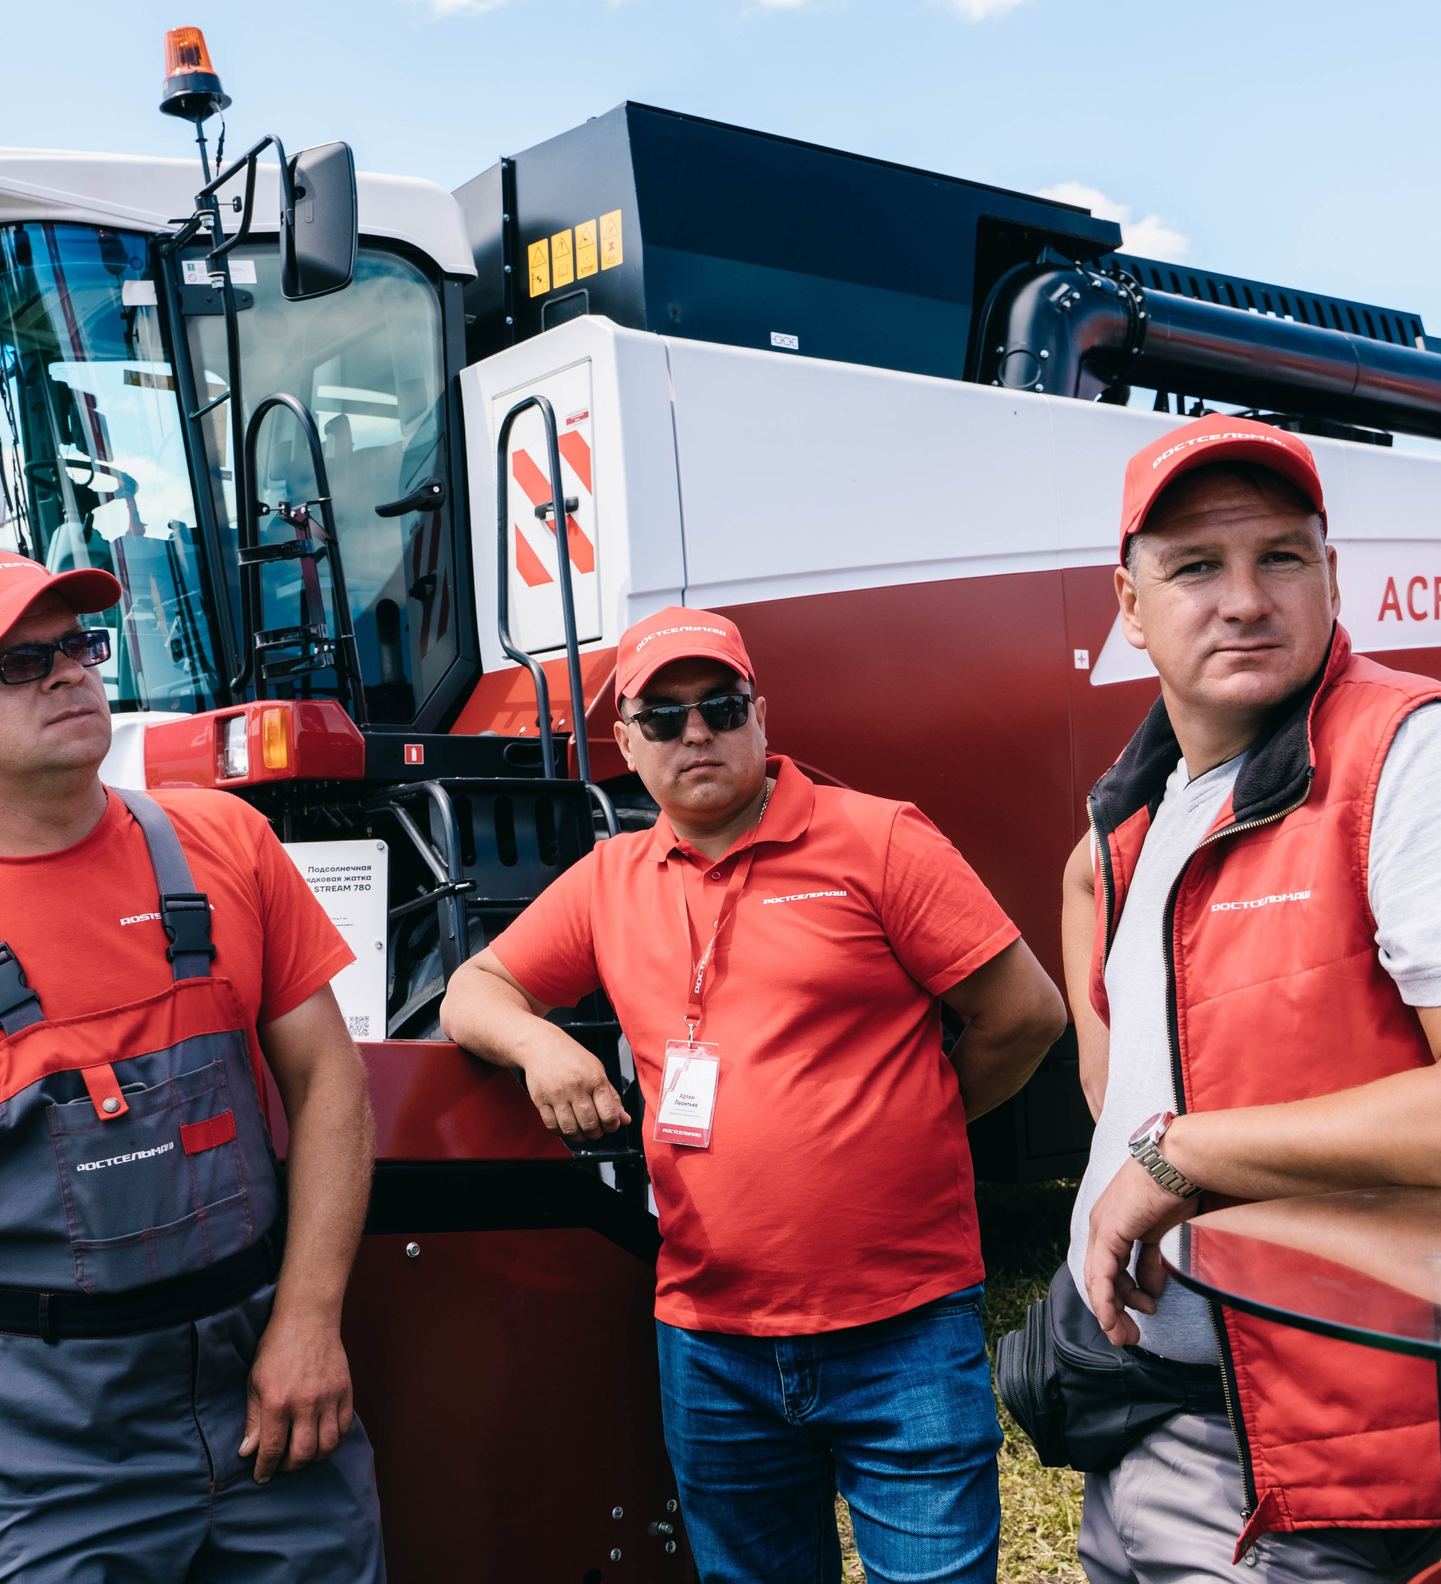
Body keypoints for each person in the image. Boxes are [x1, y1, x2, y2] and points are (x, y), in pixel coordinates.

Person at [1045, 416, 1441, 1583]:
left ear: (1332, 577)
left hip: (1307, 1449)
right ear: (1128, 608)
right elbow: (1134, 1072)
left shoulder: (1415, 756)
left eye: (1279, 557)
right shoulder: (1145, 809)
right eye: (1193, 566)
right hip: (1151, 1406)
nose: (1242, 598)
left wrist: (1183, 1156)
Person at [0, 548, 383, 1582]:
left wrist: (308, 1322)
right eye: (14, 663)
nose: (66, 674)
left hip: (270, 1396)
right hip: (38, 1451)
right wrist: (0, 1348)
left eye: (75, 646)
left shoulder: (225, 840)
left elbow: (331, 1085)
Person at [441, 605, 1067, 1584]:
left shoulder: (879, 841)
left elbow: (1024, 1014)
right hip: (711, 1344)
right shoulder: (610, 878)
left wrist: (916, 1119)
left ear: (760, 717)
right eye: (664, 717)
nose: (696, 733)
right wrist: (540, 1047)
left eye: (720, 707)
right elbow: (473, 990)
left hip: (901, 1330)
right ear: (627, 745)